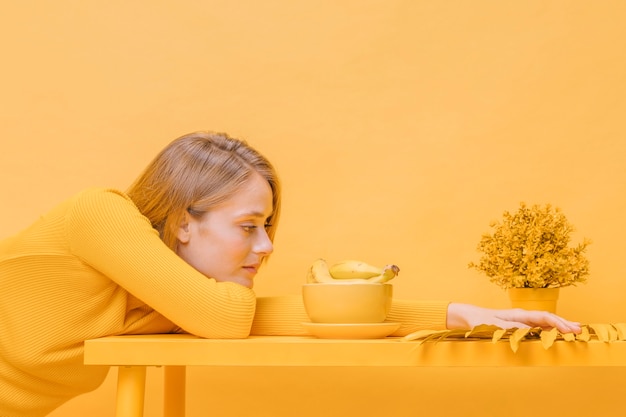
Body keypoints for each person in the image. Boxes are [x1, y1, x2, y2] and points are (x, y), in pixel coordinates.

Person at [0, 131, 581, 416]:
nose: (268, 245)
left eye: (269, 225)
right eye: (248, 225)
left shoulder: (165, 299)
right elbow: (226, 319)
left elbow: (288, 317)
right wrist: (221, 300)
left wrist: (459, 315)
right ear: (182, 222)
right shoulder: (97, 213)